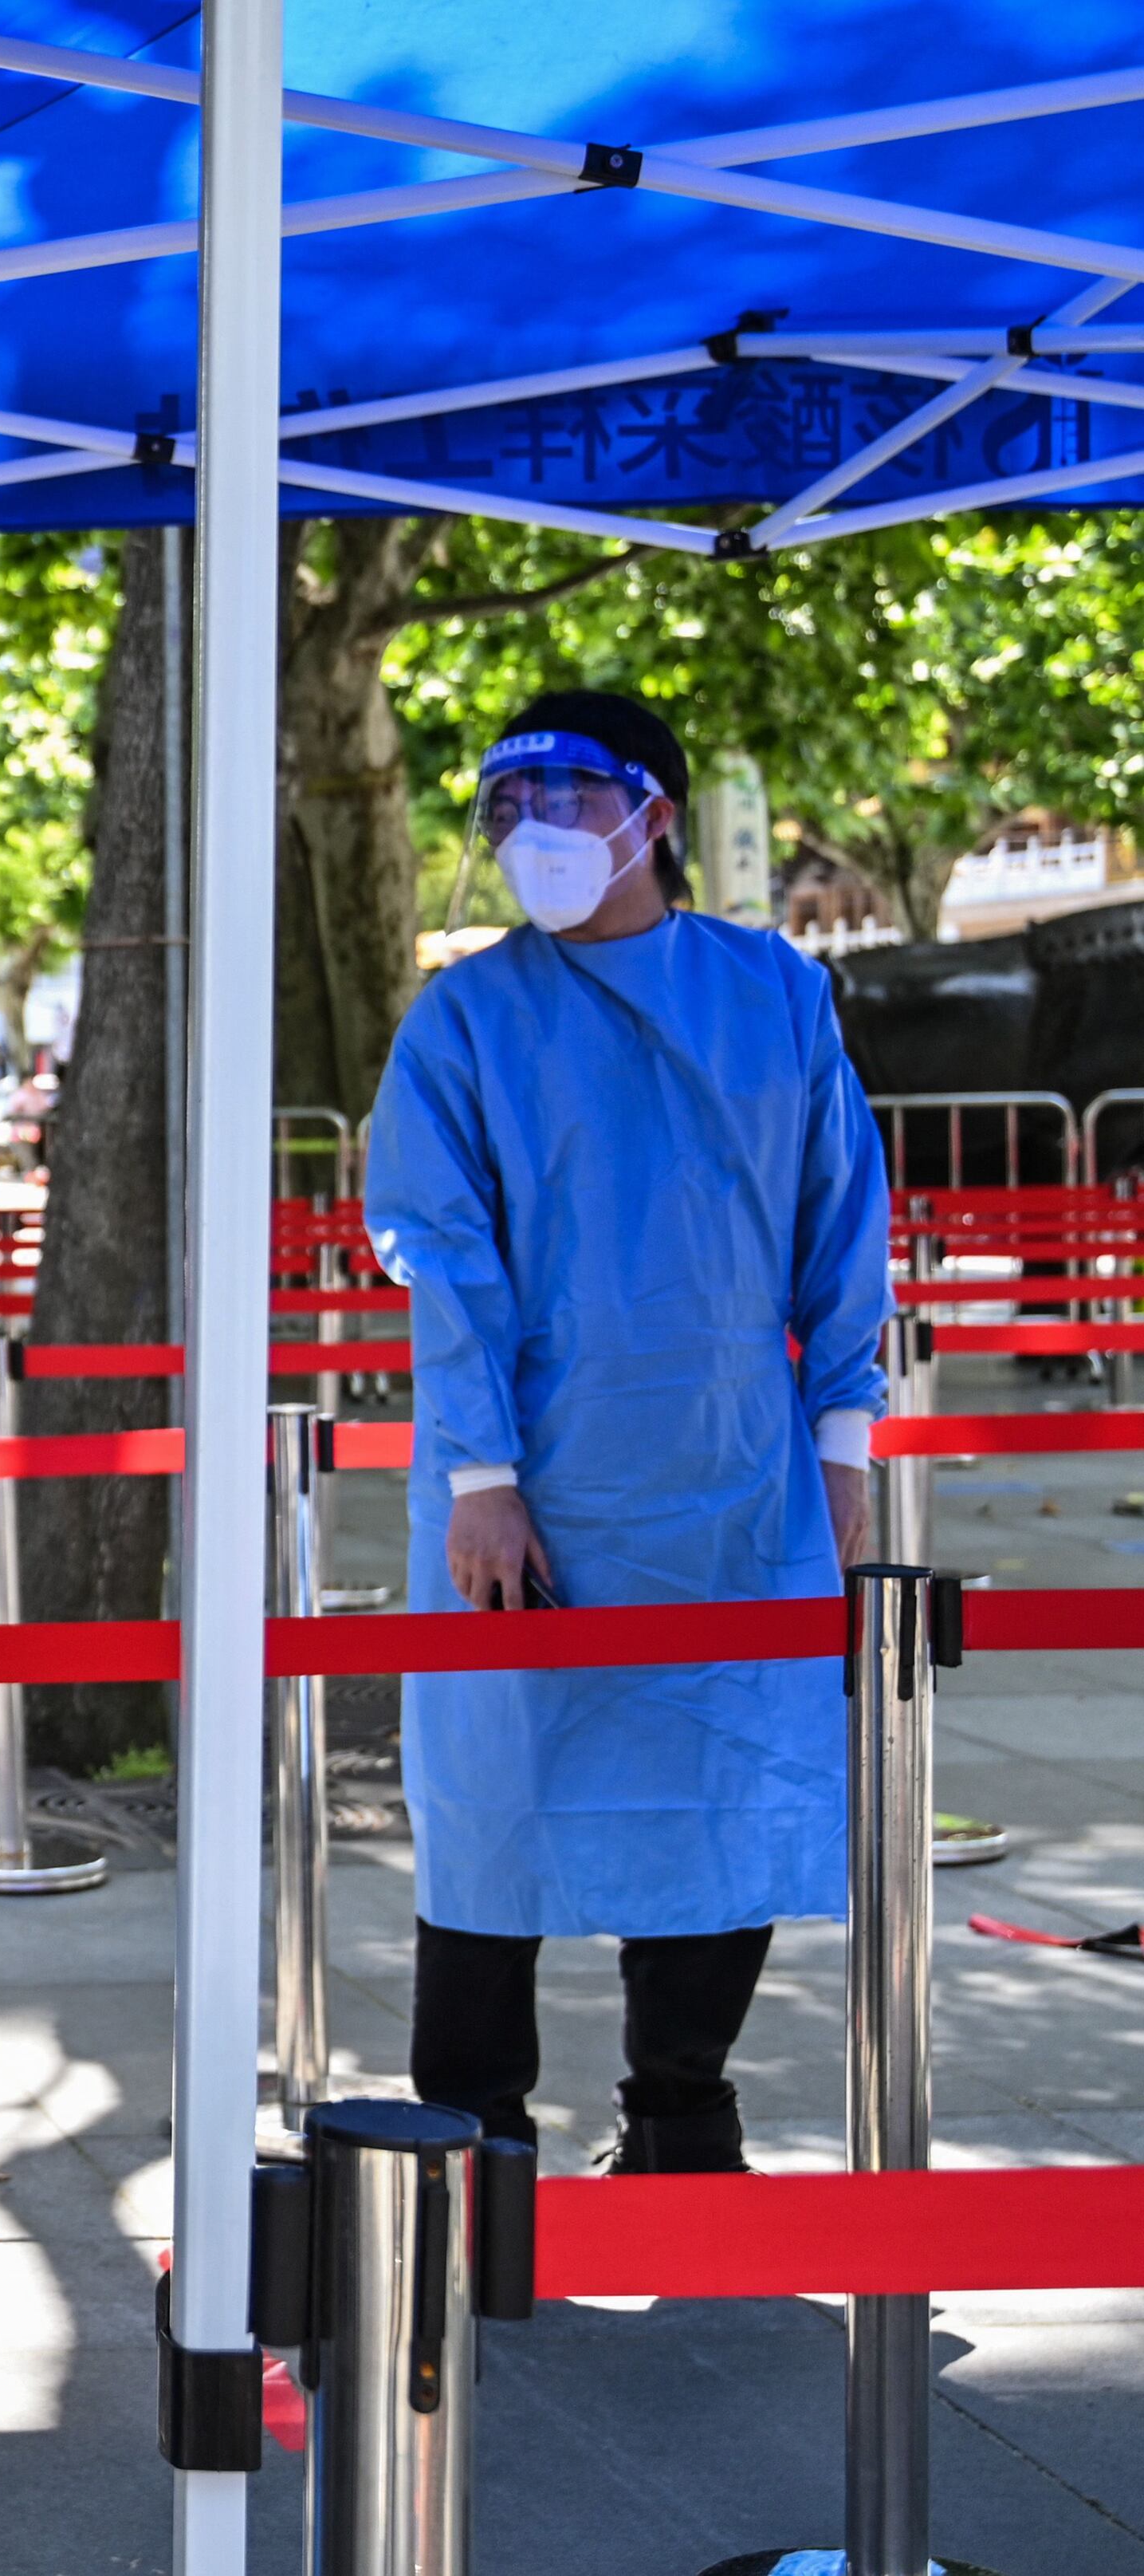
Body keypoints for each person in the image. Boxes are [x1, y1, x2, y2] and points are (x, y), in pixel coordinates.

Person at [367, 688, 890, 2174]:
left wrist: (843, 1436)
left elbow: (843, 1217)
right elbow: (442, 1249)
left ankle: (682, 2111)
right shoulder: (466, 1018)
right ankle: (476, 2138)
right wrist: (480, 1474)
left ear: (654, 816)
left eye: (568, 797)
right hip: (527, 1479)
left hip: (732, 1469)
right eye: (508, 806)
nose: (535, 832)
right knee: (493, 1804)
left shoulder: (775, 992)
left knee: (717, 1789)